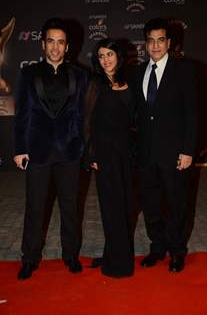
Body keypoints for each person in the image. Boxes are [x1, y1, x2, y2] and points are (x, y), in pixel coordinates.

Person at [13, 18, 87, 280]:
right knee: (35, 207)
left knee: (70, 206)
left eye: (61, 42)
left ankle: (71, 255)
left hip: (69, 151)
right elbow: (21, 113)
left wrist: (81, 146)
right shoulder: (28, 73)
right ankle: (29, 258)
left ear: (67, 47)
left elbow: (81, 115)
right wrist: (19, 148)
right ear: (43, 44)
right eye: (51, 41)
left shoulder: (79, 75)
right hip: (37, 150)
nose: (55, 47)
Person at [130, 18, 198, 272]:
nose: (156, 46)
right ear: (145, 43)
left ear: (169, 43)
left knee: (177, 204)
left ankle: (177, 251)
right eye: (151, 40)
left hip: (175, 153)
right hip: (146, 154)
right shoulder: (138, 73)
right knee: (151, 205)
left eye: (161, 40)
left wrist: (188, 150)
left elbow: (192, 113)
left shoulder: (184, 70)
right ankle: (157, 248)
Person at [84, 38, 134, 278]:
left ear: (119, 56)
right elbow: (87, 121)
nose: (105, 60)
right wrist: (92, 153)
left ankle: (114, 251)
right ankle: (117, 263)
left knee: (127, 206)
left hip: (129, 153)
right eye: (101, 55)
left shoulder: (130, 81)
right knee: (111, 206)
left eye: (110, 54)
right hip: (105, 154)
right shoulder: (95, 83)